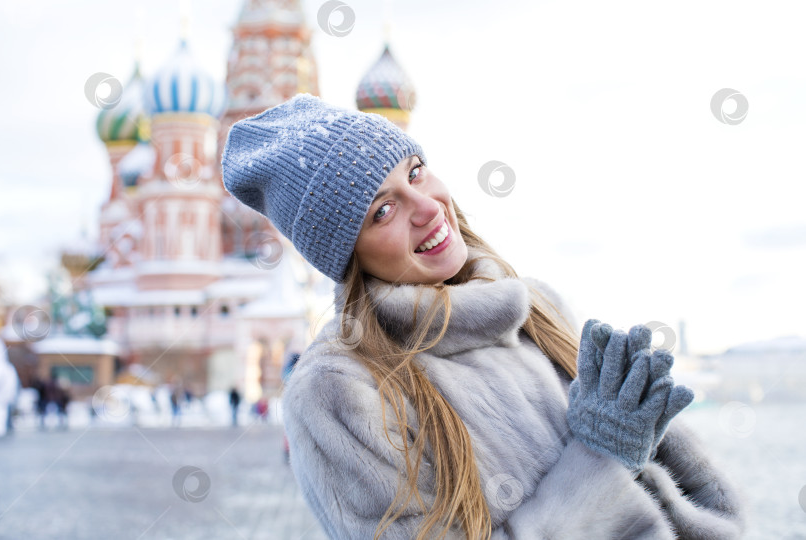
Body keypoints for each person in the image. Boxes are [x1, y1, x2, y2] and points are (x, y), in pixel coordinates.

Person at [222, 94, 745, 539]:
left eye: (416, 172)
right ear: (346, 254)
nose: (427, 208)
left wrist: (651, 442)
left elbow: (705, 509)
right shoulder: (337, 395)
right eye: (382, 211)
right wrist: (601, 460)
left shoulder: (536, 307)